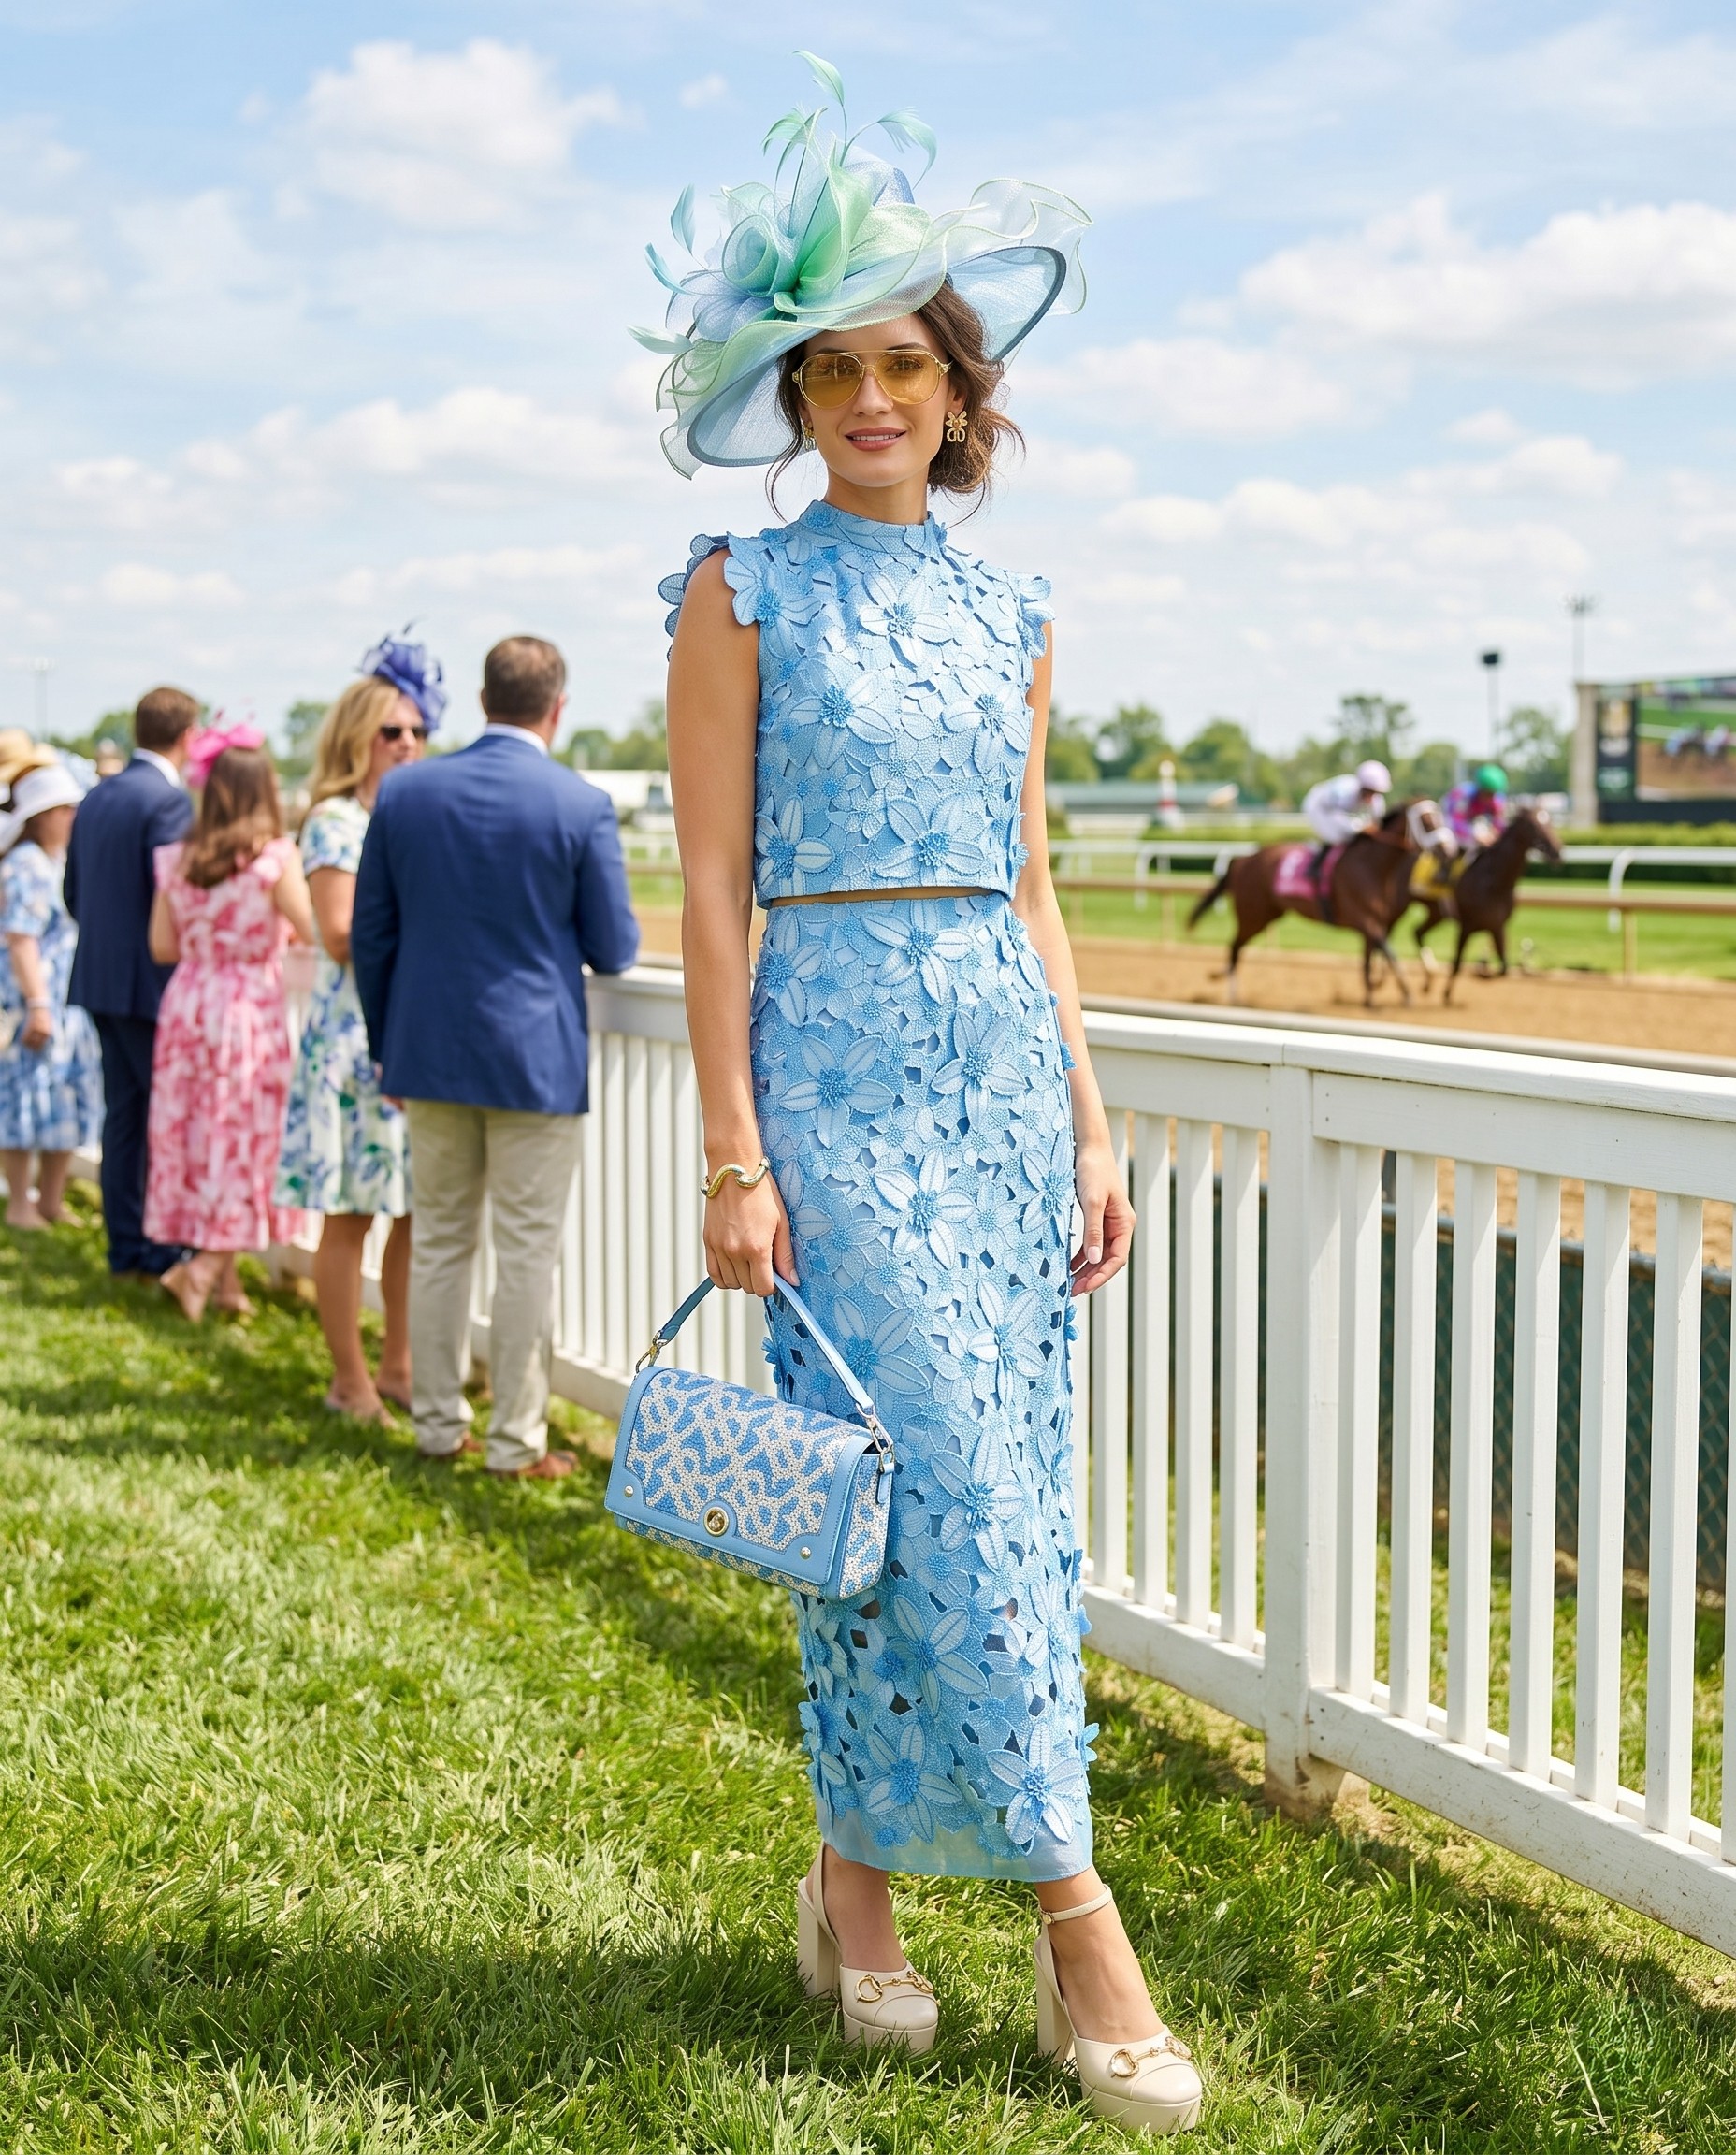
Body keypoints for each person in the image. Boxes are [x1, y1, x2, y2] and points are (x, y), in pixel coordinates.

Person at [651, 64, 1202, 2136]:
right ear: (794, 400)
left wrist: (1087, 1113)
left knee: (960, 1499)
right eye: (834, 369)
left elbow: (1038, 880)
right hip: (829, 1062)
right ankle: (1080, 1928)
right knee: (941, 1473)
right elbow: (706, 887)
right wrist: (730, 1150)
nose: (871, 398)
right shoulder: (740, 587)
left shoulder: (1017, 604)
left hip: (993, 1065)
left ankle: (853, 1894)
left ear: (962, 394)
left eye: (907, 364)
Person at [351, 636, 639, 1478]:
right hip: (534, 1060)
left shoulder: (406, 793)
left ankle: (438, 1428)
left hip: (427, 1053)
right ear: (558, 707)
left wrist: (386, 1047)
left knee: (440, 1242)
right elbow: (616, 946)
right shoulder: (578, 803)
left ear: (482, 701)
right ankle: (516, 1443)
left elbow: (373, 937)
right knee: (526, 1254)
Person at [275, 635, 441, 1425]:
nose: (408, 743)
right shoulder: (337, 821)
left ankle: (400, 1367)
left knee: (412, 1210)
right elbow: (338, 933)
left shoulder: (413, 813)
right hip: (353, 1042)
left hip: (409, 1039)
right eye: (391, 732)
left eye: (416, 731)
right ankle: (348, 1381)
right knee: (349, 1215)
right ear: (356, 740)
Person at [144, 730, 313, 1322]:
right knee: (245, 1140)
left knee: (200, 1138)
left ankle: (224, 1283)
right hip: (245, 1009)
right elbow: (314, 929)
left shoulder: (178, 858)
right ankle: (202, 1270)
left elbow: (163, 946)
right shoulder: (274, 858)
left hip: (189, 1003)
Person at [64, 687, 199, 1279]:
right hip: (152, 982)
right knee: (164, 1119)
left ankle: (126, 1247)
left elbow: (74, 891)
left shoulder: (96, 796)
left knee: (123, 1116)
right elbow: (175, 899)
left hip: (97, 975)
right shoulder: (170, 802)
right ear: (187, 736)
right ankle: (160, 1246)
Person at [0, 762, 103, 1228]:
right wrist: (38, 1005)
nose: (72, 817)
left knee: (64, 1099)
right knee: (24, 1100)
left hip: (64, 999)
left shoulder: (56, 862)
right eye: (65, 809)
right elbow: (21, 937)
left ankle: (50, 1200)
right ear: (43, 814)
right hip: (36, 1000)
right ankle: (21, 1202)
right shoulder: (26, 865)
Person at [1440, 762, 1510, 852]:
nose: (1490, 798)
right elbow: (1456, 823)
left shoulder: (1498, 799)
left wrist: (1494, 833)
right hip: (1448, 819)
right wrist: (1476, 836)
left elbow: (1499, 824)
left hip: (1471, 821)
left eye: (1493, 794)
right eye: (1487, 793)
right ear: (1480, 788)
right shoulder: (1463, 795)